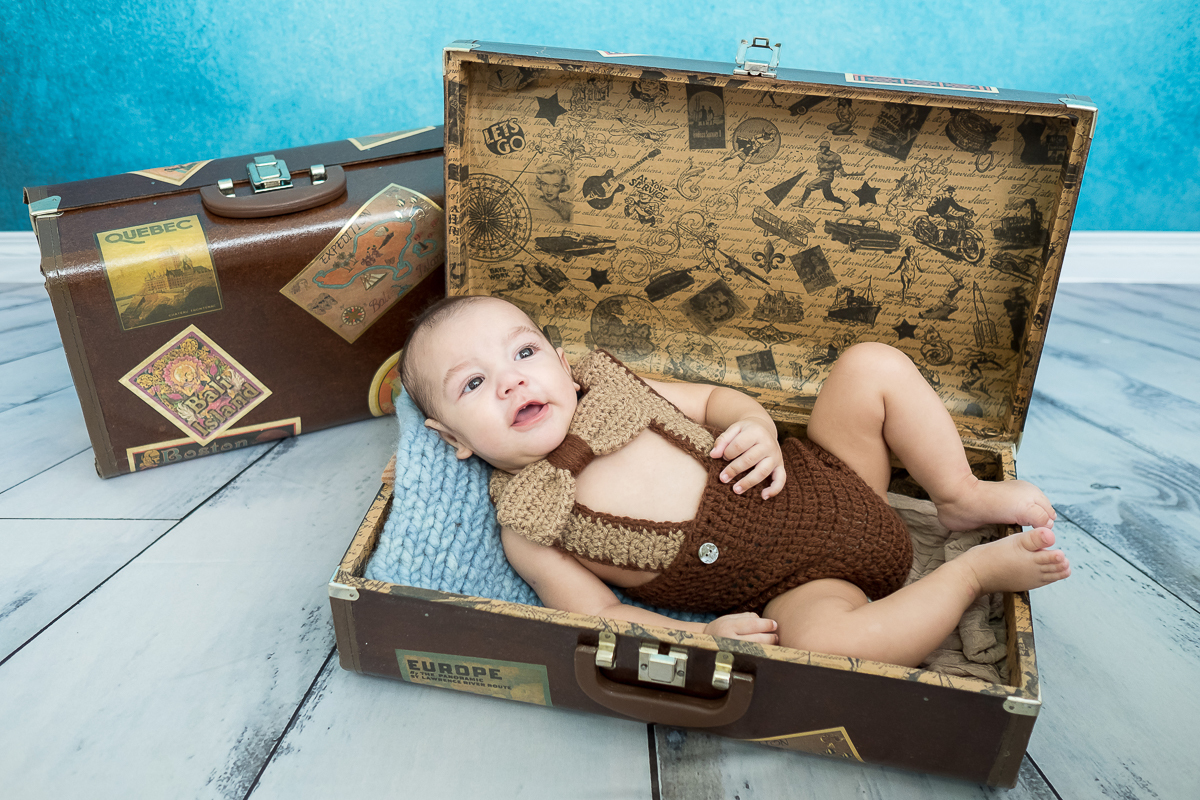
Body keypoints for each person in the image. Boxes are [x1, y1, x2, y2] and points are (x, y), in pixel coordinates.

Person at [398, 296, 1069, 668]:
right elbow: (602, 616)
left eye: (523, 352)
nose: (513, 378)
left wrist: (759, 426)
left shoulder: (612, 386)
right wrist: (702, 638)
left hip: (836, 474)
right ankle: (969, 577)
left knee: (872, 367)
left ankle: (956, 493)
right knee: (821, 651)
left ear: (561, 360)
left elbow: (717, 400)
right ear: (450, 438)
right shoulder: (530, 528)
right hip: (800, 587)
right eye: (475, 383)